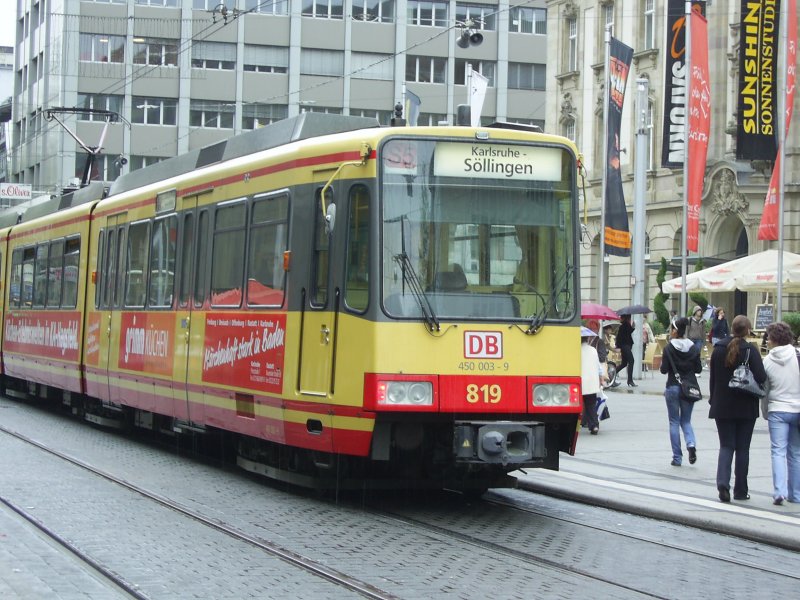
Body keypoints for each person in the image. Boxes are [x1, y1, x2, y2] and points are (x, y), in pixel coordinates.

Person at [709, 314, 767, 503]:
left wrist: (713, 400)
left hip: (722, 406)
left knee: (726, 446)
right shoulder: (751, 350)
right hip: (746, 407)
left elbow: (713, 380)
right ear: (748, 330)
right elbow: (760, 377)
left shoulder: (718, 349)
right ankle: (741, 490)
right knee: (743, 449)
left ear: (732, 328)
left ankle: (723, 484)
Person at [761, 321, 800, 505]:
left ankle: (779, 491)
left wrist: (765, 412)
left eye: (768, 337)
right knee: (795, 453)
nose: (766, 340)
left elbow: (765, 390)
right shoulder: (798, 355)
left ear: (774, 339)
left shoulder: (767, 361)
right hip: (797, 408)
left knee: (778, 451)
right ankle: (796, 494)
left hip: (777, 409)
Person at [660, 317, 702, 466]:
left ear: (675, 331)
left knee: (674, 422)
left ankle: (677, 458)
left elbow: (663, 370)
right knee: (686, 420)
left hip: (672, 386)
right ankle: (691, 445)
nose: (670, 331)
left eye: (672, 329)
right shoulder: (693, 348)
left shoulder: (668, 348)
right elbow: (698, 369)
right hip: (688, 388)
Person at [581, 330, 605, 434]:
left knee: (577, 404)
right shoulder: (593, 350)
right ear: (588, 339)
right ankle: (594, 425)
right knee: (590, 404)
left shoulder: (574, 351)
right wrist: (601, 378)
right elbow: (599, 367)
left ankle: (577, 423)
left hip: (579, 381)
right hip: (592, 381)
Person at [614, 314, 636, 387]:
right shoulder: (625, 325)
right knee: (631, 361)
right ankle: (630, 380)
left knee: (624, 363)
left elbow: (627, 333)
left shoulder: (623, 325)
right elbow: (626, 334)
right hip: (625, 346)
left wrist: (632, 327)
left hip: (624, 346)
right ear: (627, 318)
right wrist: (633, 327)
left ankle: (612, 373)